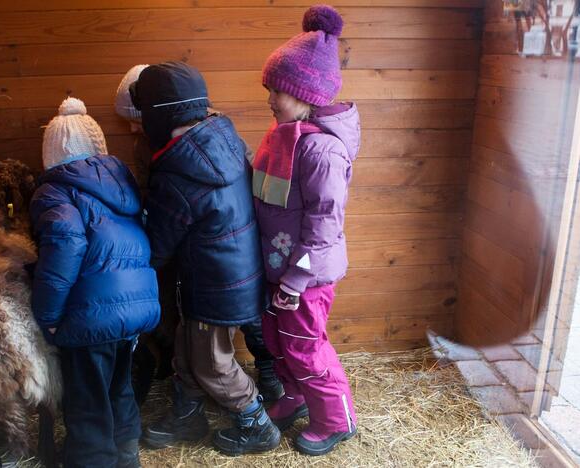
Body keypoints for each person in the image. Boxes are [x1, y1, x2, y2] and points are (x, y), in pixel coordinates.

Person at [129, 61, 280, 455]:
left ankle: (256, 423)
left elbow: (158, 245)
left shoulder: (177, 170)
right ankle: (188, 416)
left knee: (213, 364)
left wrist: (132, 261)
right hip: (232, 274)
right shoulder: (221, 139)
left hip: (214, 286)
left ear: (157, 116)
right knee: (186, 347)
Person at [30, 97, 160, 468]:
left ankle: (93, 460)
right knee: (119, 386)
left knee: (87, 399)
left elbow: (66, 244)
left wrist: (48, 314)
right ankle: (126, 455)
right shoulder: (121, 180)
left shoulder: (53, 192)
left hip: (91, 314)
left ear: (50, 152)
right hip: (137, 307)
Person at [253, 5, 359, 456]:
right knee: (278, 342)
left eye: (279, 90)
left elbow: (325, 224)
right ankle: (296, 396)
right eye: (271, 88)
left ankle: (336, 419)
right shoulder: (285, 134)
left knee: (304, 347)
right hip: (279, 271)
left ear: (305, 92)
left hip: (305, 278)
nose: (271, 98)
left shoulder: (321, 151)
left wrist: (296, 279)